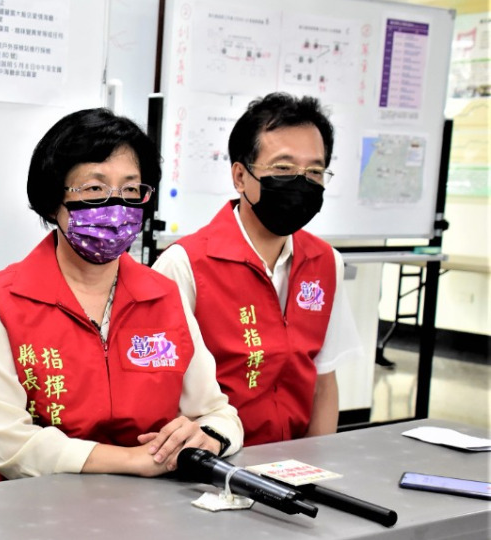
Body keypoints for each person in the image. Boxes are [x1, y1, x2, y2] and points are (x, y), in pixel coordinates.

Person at [0, 108, 243, 484]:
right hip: (30, 506)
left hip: (146, 505)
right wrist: (132, 460)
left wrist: (207, 437)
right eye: (95, 189)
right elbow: (6, 445)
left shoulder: (163, 295)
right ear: (53, 200)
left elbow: (220, 415)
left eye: (130, 190)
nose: (116, 208)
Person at [152, 92, 362, 447]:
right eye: (283, 168)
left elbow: (323, 383)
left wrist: (318, 463)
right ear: (240, 176)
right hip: (211, 461)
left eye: (314, 171)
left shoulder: (327, 262)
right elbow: (158, 389)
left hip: (294, 465)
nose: (301, 182)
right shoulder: (184, 264)